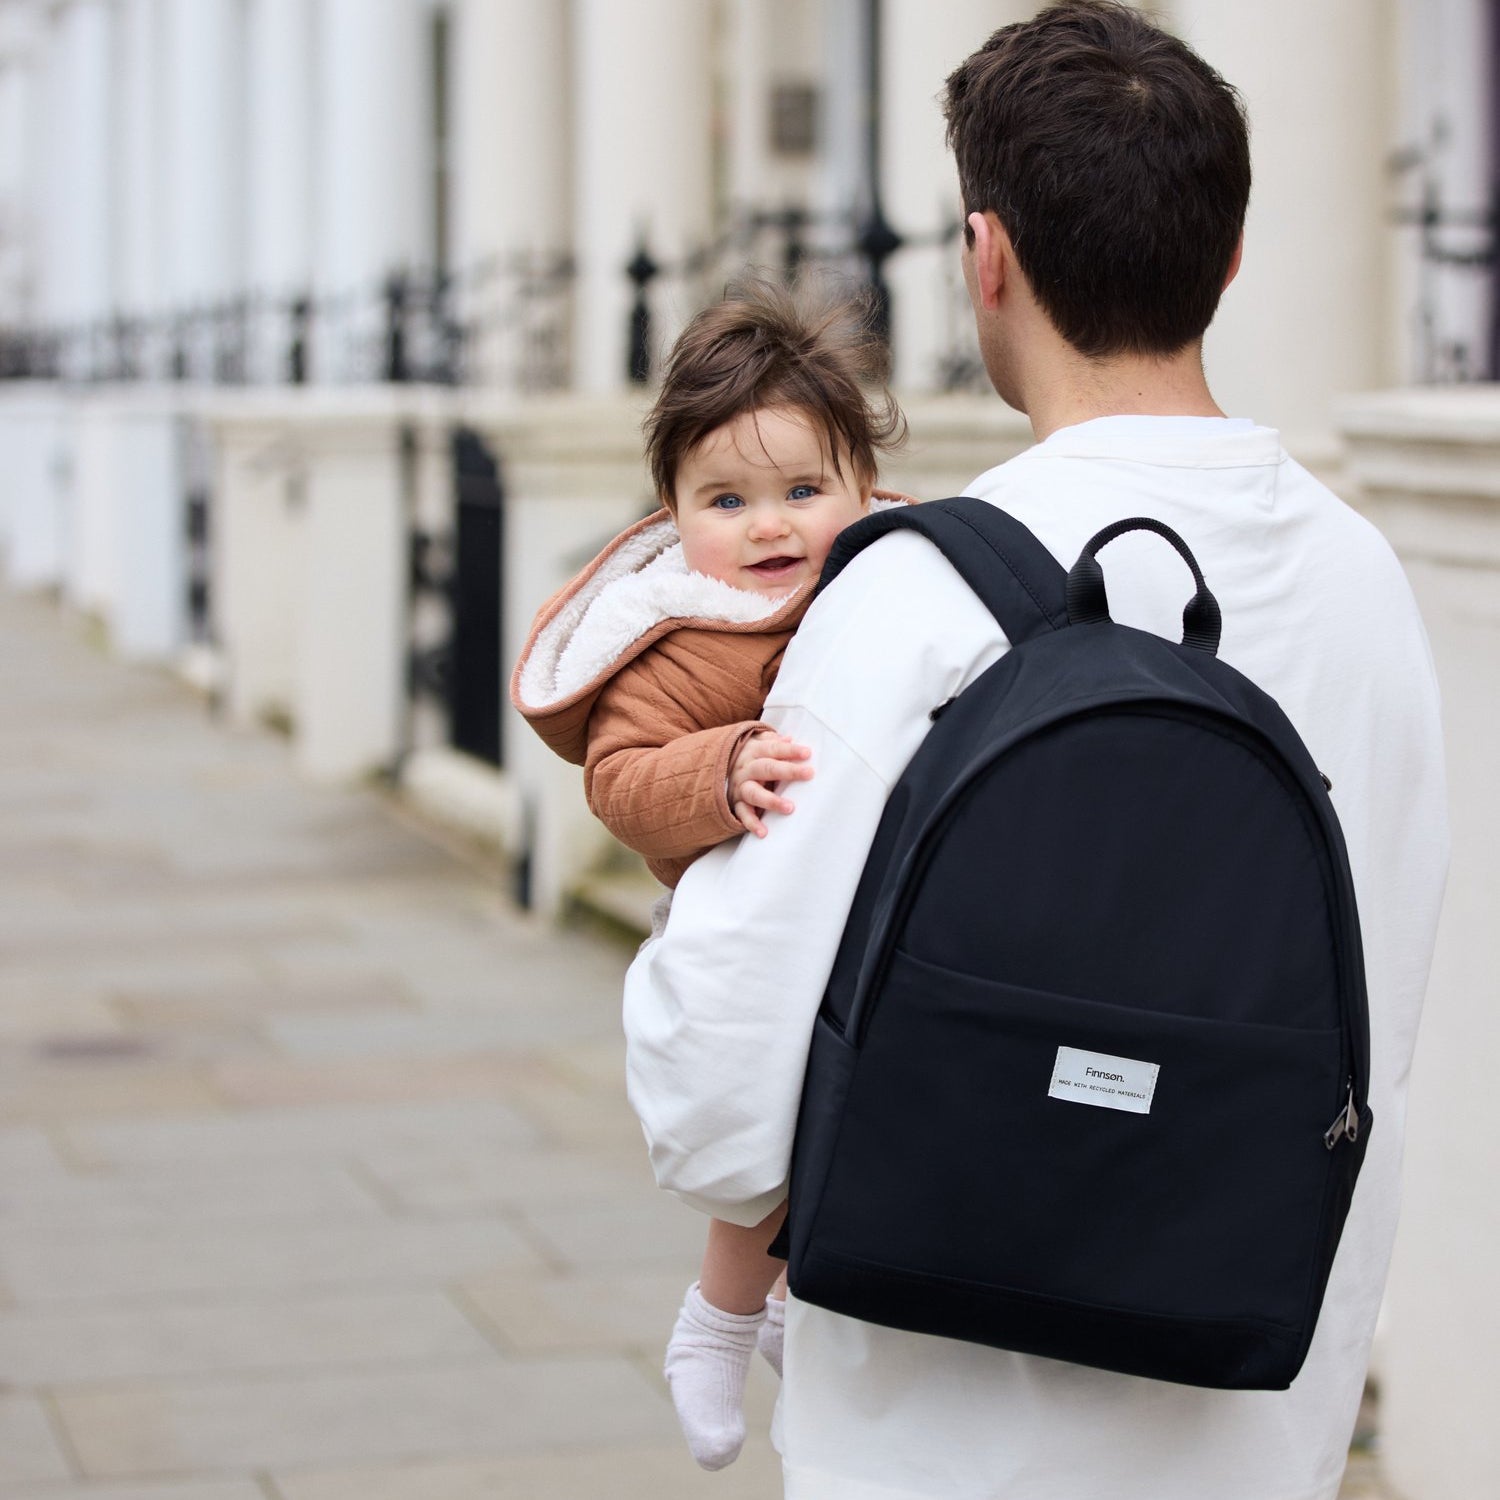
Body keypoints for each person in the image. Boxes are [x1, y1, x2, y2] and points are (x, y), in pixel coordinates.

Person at [621, 3, 1449, 1497]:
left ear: (984, 258)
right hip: (1257, 1415)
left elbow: (720, 1104)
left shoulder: (919, 588)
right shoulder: (1368, 581)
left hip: (952, 1436)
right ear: (1230, 256)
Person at [510, 278, 909, 1470]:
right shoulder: (683, 637)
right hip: (751, 937)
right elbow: (620, 777)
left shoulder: (893, 585)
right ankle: (718, 1319)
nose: (770, 525)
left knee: (843, 1128)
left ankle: (782, 1306)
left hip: (870, 924)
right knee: (762, 1136)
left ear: (862, 485)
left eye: (803, 490)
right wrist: (720, 768)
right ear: (675, 513)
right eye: (726, 499)